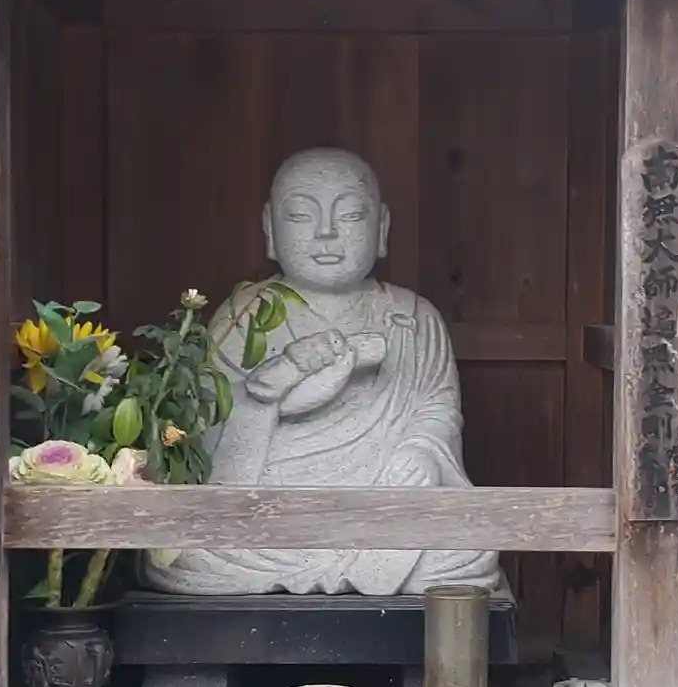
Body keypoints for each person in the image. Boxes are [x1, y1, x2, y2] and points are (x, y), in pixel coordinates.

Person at [145, 147, 500, 598]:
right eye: (300, 216)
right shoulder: (242, 316)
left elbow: (437, 409)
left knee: (469, 549)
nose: (326, 233)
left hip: (383, 509)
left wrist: (421, 454)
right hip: (270, 514)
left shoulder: (414, 319)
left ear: (382, 228)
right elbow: (206, 423)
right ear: (269, 229)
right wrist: (275, 388)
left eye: (350, 215)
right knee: (186, 551)